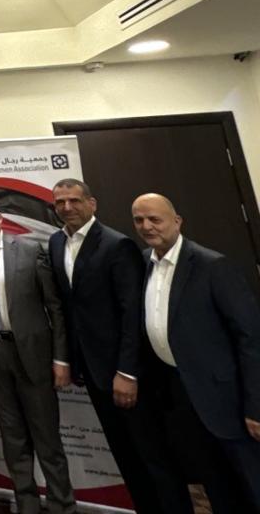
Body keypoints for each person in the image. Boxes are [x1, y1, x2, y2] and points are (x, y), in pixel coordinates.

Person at [47, 179, 184, 513]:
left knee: (153, 456)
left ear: (92, 203)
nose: (67, 207)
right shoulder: (54, 243)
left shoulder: (116, 244)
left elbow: (131, 313)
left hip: (127, 375)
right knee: (124, 455)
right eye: (60, 202)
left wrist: (127, 371)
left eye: (74, 200)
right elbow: (69, 307)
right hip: (92, 373)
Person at [132, 192, 260, 512]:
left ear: (177, 221)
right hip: (182, 397)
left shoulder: (212, 265)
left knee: (253, 481)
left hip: (228, 399)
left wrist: (256, 406)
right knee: (215, 483)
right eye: (138, 219)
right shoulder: (143, 264)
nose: (147, 226)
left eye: (155, 219)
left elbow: (251, 338)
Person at [0, 194, 74, 514]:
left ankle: (63, 505)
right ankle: (27, 505)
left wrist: (61, 358)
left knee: (47, 439)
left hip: (34, 357)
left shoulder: (30, 249)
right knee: (13, 439)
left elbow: (55, 308)